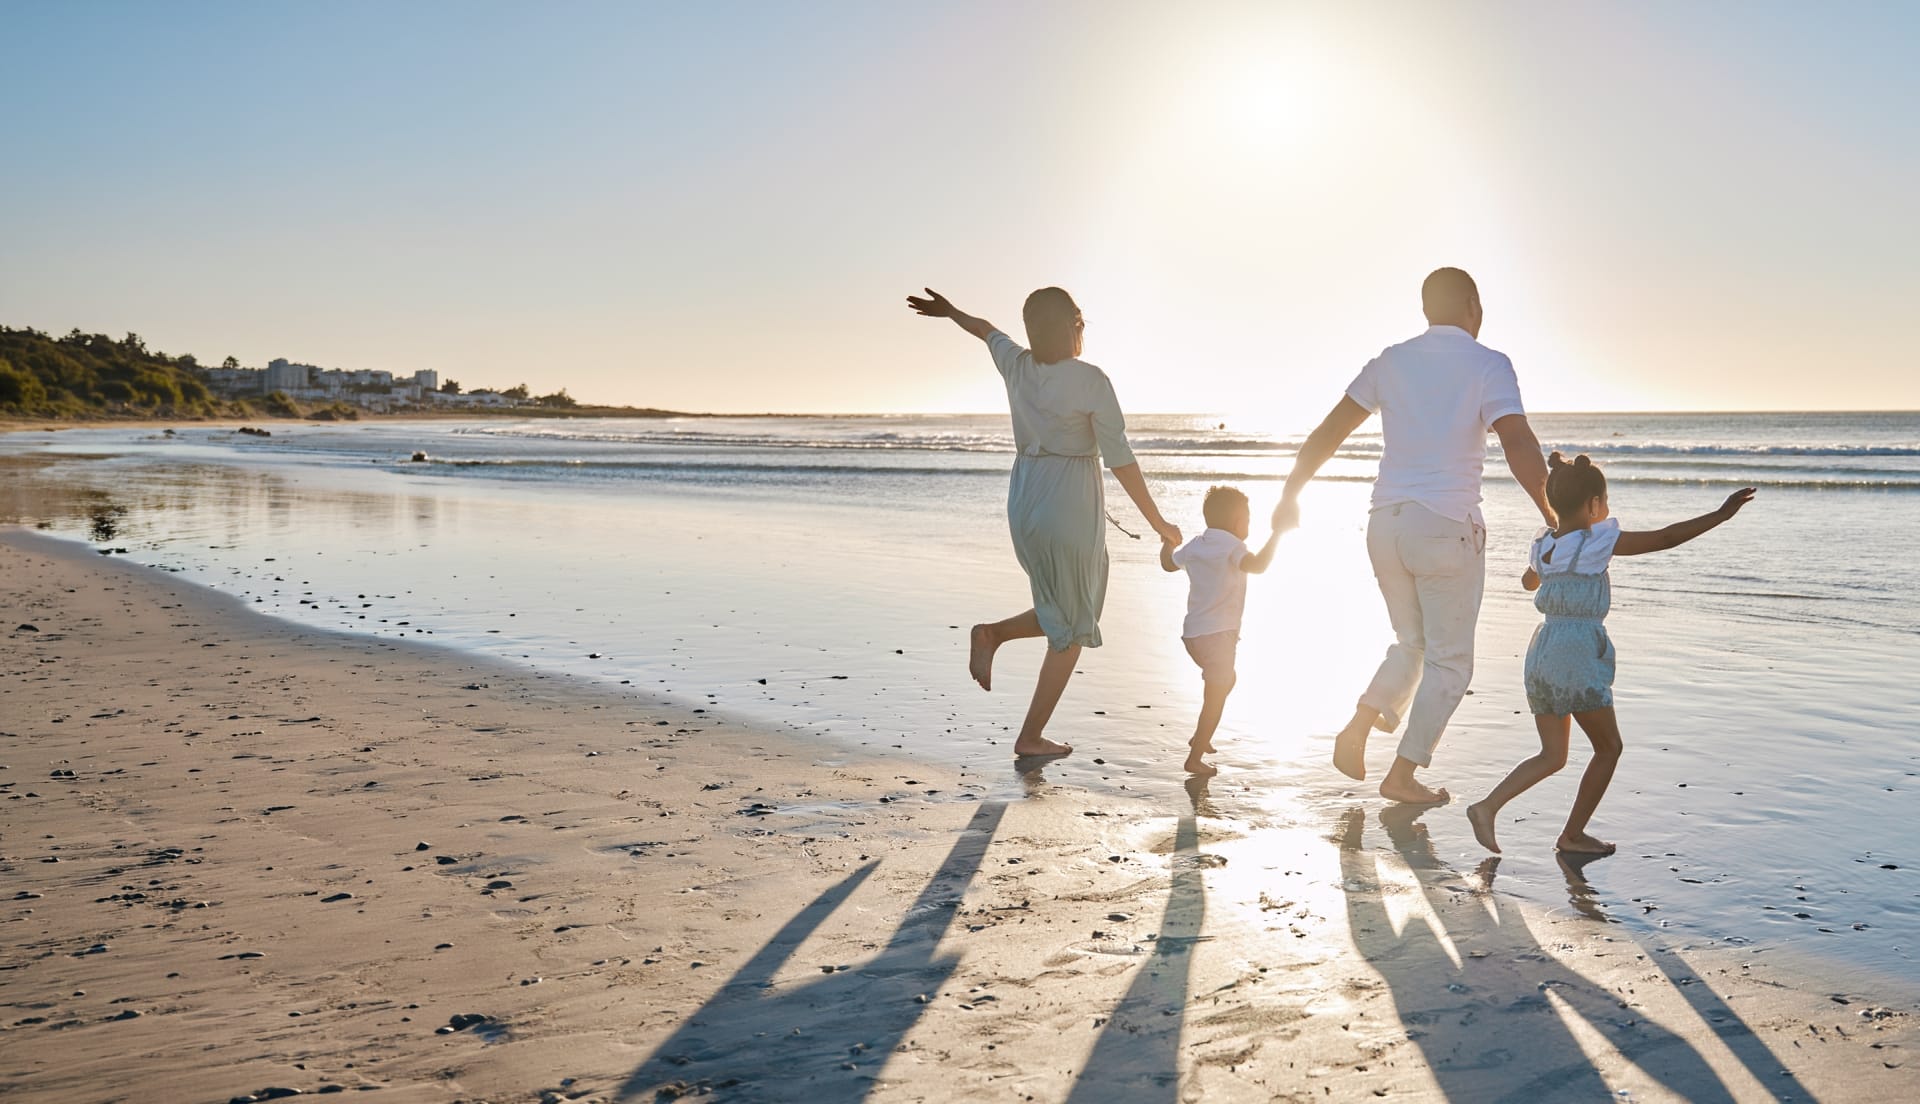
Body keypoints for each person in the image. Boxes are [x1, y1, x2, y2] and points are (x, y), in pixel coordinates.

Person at [1271, 268, 1555, 804]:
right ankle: (1402, 775)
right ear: (1473, 305)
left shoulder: (1390, 361)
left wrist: (1291, 493)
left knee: (1413, 642)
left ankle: (1358, 726)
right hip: (1446, 528)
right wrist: (1550, 510)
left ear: (1427, 308)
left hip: (1386, 524)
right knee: (1450, 662)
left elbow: (1328, 431)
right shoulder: (1489, 363)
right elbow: (1516, 440)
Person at [906, 286, 1181, 757]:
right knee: (1073, 626)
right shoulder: (1091, 380)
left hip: (1025, 496)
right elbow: (1121, 460)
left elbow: (985, 331)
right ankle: (1029, 736)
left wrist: (950, 311)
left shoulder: (1017, 365)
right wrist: (1160, 524)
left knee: (1066, 610)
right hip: (1068, 503)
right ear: (1076, 326)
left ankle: (993, 636)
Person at [1467, 454, 1755, 854]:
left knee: (1552, 754)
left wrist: (1551, 561)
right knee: (1609, 747)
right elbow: (1665, 538)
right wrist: (1721, 514)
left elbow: (1527, 582)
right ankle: (1571, 835)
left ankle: (1487, 806)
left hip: (1543, 650)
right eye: (1604, 500)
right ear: (1591, 506)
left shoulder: (1544, 543)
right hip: (1576, 653)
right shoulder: (1597, 541)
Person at [1159, 485, 1286, 775]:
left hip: (1193, 636)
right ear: (1236, 521)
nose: (1250, 526)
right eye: (1248, 519)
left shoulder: (1197, 543)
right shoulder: (1233, 547)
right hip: (1219, 637)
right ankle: (1194, 757)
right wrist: (1277, 535)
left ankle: (1200, 737)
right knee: (1215, 697)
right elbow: (1258, 565)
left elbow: (1168, 564)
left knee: (1226, 682)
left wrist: (1167, 542)